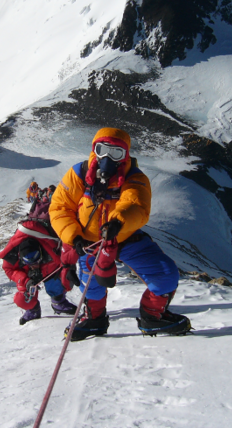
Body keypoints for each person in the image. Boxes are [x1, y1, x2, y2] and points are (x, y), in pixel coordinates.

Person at [49, 127, 190, 340]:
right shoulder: (78, 174)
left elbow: (136, 204)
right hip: (89, 243)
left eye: (116, 153)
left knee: (165, 273)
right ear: (93, 150)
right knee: (92, 286)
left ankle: (152, 317)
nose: (107, 158)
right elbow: (60, 207)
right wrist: (73, 237)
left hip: (124, 237)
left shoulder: (134, 177)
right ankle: (94, 319)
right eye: (102, 150)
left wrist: (118, 222)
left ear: (125, 156)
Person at [0, 219, 76, 324]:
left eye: (36, 260)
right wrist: (26, 281)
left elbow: (64, 262)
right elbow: (9, 270)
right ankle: (33, 309)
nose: (34, 265)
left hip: (49, 268)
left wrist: (68, 275)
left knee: (57, 278)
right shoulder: (12, 253)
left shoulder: (49, 246)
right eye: (29, 263)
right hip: (27, 275)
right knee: (22, 296)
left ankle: (58, 301)